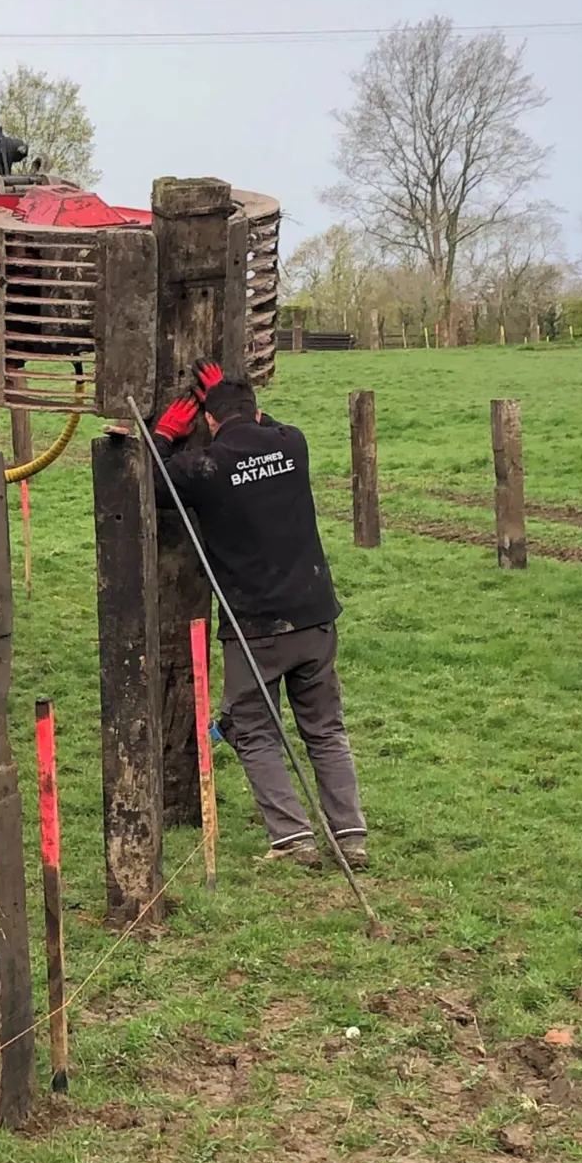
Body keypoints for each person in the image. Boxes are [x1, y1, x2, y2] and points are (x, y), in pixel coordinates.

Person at [143, 366, 368, 871]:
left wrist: (163, 435)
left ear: (208, 420)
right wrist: (234, 398)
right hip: (315, 616)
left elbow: (154, 482)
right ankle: (350, 835)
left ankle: (293, 839)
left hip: (255, 626)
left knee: (253, 728)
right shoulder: (293, 443)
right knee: (325, 728)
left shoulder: (204, 467)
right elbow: (267, 428)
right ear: (259, 412)